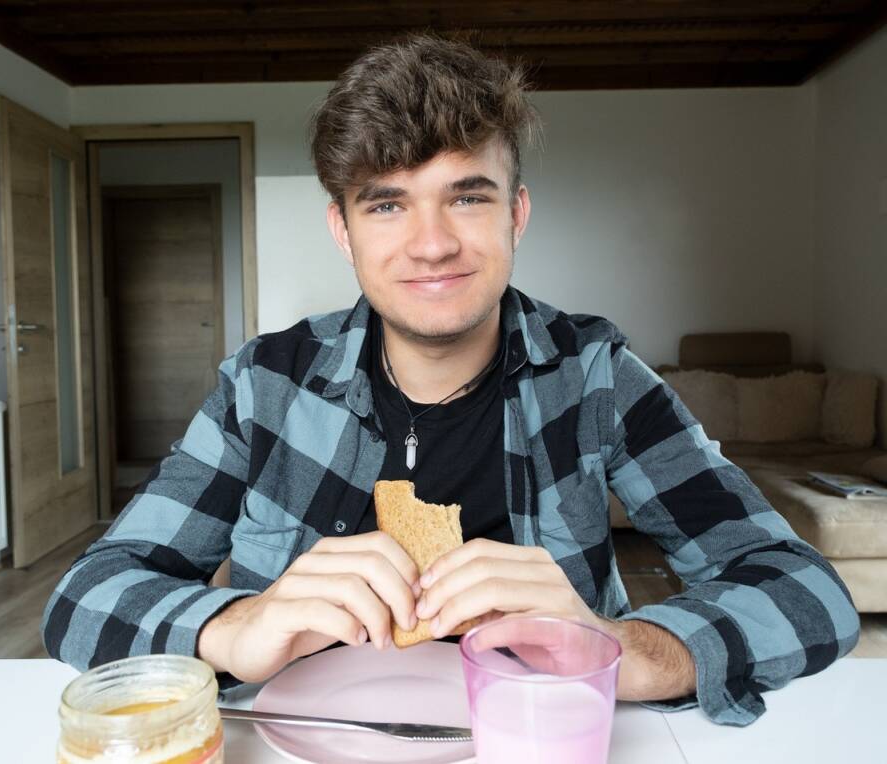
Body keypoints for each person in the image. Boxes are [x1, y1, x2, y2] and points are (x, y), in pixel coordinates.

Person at [42, 34, 859, 726]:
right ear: (343, 228)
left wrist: (616, 648)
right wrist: (233, 626)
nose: (431, 245)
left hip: (538, 734)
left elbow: (806, 593)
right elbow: (86, 595)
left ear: (516, 214)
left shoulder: (597, 376)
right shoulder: (264, 386)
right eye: (388, 205)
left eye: (467, 197)